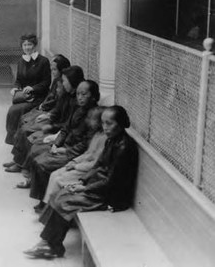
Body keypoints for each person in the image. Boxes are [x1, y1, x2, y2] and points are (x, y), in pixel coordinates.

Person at [24, 106, 139, 259]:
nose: (105, 127)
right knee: (63, 192)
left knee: (65, 201)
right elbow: (98, 165)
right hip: (100, 186)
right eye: (103, 123)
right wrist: (81, 181)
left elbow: (111, 181)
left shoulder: (124, 147)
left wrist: (85, 188)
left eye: (109, 123)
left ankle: (51, 246)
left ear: (121, 123)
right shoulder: (112, 140)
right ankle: (48, 242)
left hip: (112, 197)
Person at [28, 80, 100, 210]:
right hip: (65, 147)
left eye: (84, 94)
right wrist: (56, 143)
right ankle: (43, 199)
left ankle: (45, 203)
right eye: (78, 94)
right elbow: (66, 128)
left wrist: (67, 151)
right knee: (39, 158)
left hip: (75, 154)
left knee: (43, 164)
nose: (80, 97)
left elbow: (86, 144)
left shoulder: (95, 116)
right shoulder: (78, 109)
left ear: (93, 96)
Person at [5, 66, 84, 173]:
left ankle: (22, 164)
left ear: (72, 81)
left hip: (58, 129)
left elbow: (67, 124)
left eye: (65, 81)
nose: (63, 83)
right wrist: (49, 115)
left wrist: (51, 126)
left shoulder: (77, 102)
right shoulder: (68, 94)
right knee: (25, 125)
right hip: (56, 123)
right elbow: (58, 110)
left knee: (26, 131)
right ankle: (18, 160)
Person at [40, 106, 107, 213]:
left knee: (59, 180)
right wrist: (74, 161)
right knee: (54, 174)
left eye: (92, 119)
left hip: (88, 172)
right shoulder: (97, 134)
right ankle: (46, 205)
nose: (88, 121)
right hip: (81, 165)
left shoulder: (105, 139)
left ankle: (50, 210)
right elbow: (88, 154)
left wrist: (76, 166)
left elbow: (95, 163)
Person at [5, 34, 51, 145]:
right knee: (13, 109)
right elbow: (19, 80)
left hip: (39, 97)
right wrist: (15, 87)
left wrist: (33, 88)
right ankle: (14, 138)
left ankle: (16, 139)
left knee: (14, 110)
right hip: (26, 96)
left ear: (35, 45)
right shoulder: (21, 61)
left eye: (29, 44)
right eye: (24, 45)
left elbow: (46, 82)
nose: (27, 47)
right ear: (22, 46)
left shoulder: (43, 61)